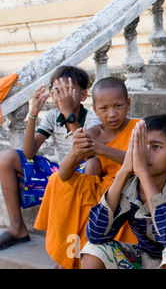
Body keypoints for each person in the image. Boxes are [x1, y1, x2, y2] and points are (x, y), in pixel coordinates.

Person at [80, 114, 166, 269]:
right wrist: (124, 171)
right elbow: (95, 235)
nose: (145, 153)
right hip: (146, 258)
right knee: (92, 251)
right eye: (140, 145)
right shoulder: (129, 186)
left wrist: (144, 174)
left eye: (156, 147)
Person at [34, 77, 139, 269]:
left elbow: (140, 163)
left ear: (128, 103)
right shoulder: (94, 132)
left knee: (101, 200)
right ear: (95, 109)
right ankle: (70, 255)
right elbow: (65, 173)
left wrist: (99, 148)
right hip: (103, 189)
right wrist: (75, 151)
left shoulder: (139, 127)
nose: (112, 114)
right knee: (59, 179)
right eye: (104, 109)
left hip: (132, 188)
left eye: (118, 106)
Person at [0, 66, 102, 250]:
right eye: (56, 90)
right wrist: (32, 115)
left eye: (68, 90)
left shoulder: (92, 118)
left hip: (81, 171)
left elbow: (85, 148)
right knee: (6, 158)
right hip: (58, 171)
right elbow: (29, 153)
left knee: (93, 163)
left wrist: (68, 114)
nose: (61, 95)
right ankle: (17, 228)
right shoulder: (52, 116)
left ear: (83, 95)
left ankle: (86, 235)